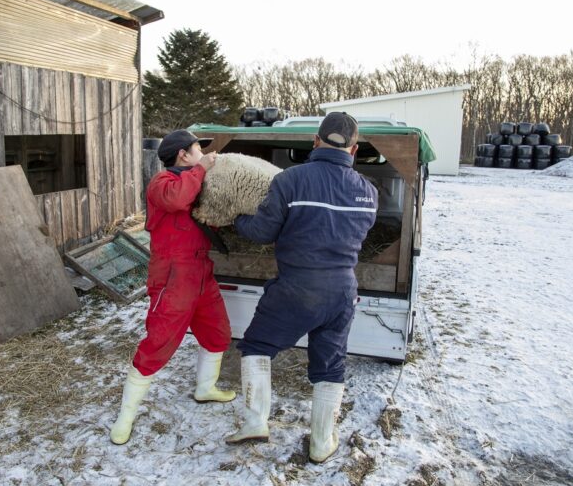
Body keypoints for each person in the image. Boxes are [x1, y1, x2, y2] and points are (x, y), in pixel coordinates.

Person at [224, 112, 378, 463]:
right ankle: (323, 442)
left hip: (297, 287)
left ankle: (255, 422)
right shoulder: (368, 192)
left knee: (257, 346)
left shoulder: (290, 180)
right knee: (330, 365)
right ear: (353, 150)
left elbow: (263, 232)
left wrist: (236, 216)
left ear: (315, 141)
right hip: (342, 291)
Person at [109, 130, 235, 445]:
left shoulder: (195, 182)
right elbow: (177, 198)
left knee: (218, 334)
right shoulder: (162, 184)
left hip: (201, 271)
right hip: (173, 275)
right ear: (183, 154)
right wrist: (203, 167)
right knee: (159, 342)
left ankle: (205, 388)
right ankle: (125, 417)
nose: (201, 154)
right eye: (197, 149)